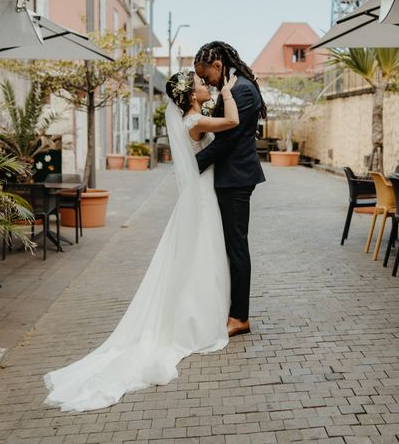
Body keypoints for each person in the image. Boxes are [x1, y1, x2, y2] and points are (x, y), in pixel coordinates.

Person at [43, 70, 240, 412]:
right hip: (203, 195)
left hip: (200, 192)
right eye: (199, 83)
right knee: (201, 255)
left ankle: (200, 313)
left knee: (196, 254)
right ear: (190, 95)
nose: (205, 85)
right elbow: (234, 122)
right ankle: (196, 321)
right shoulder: (195, 120)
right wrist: (227, 91)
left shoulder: (191, 117)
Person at [193, 41, 266, 337]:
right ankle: (233, 309)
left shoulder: (242, 89)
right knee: (231, 246)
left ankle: (240, 317)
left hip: (237, 179)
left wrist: (192, 164)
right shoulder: (233, 88)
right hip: (230, 177)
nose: (207, 83)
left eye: (207, 76)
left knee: (237, 248)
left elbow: (229, 140)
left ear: (218, 65)